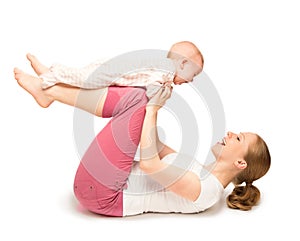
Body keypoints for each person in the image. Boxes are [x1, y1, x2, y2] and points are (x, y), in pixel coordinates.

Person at [14, 55, 270, 217]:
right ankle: (52, 83)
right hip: (103, 184)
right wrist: (156, 105)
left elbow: (150, 164)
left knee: (140, 99)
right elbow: (157, 147)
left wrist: (153, 108)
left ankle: (51, 89)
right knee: (140, 96)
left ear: (241, 164)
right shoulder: (201, 171)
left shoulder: (206, 191)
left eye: (239, 139)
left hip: (103, 194)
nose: (231, 133)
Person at [27, 41, 203, 101]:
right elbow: (151, 91)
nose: (192, 80)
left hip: (111, 69)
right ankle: (48, 78)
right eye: (193, 74)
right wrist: (164, 91)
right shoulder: (165, 70)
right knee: (82, 80)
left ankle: (50, 73)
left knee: (79, 76)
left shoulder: (163, 67)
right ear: (183, 63)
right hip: (108, 73)